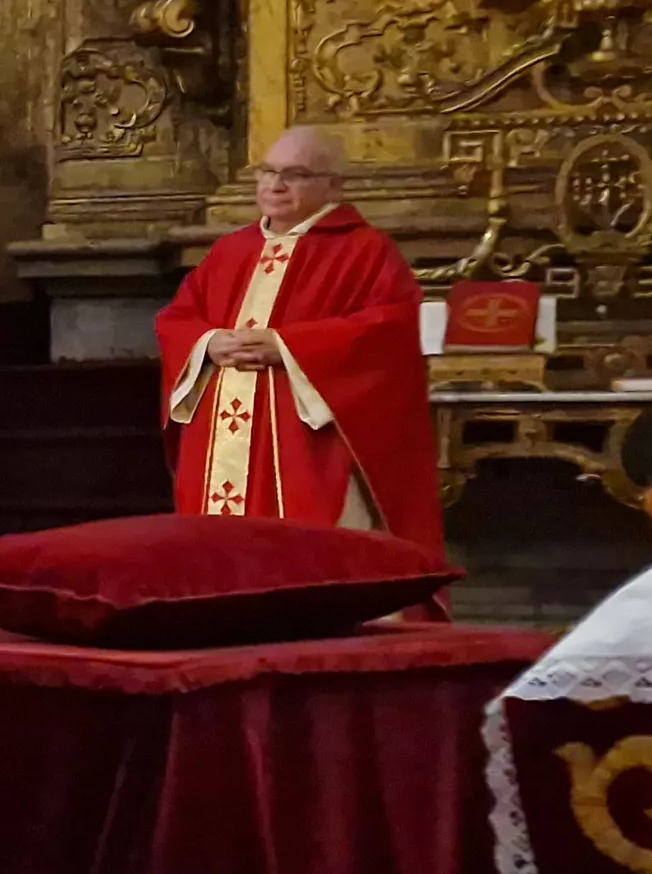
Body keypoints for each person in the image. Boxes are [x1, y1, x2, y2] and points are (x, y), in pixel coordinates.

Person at [156, 126, 447, 579]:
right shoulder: (231, 250)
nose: (274, 185)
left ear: (334, 185)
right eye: (268, 172)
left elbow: (392, 329)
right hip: (220, 434)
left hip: (305, 439)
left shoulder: (365, 251)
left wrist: (288, 346)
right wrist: (210, 343)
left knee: (307, 556)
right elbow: (177, 319)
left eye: (294, 175)